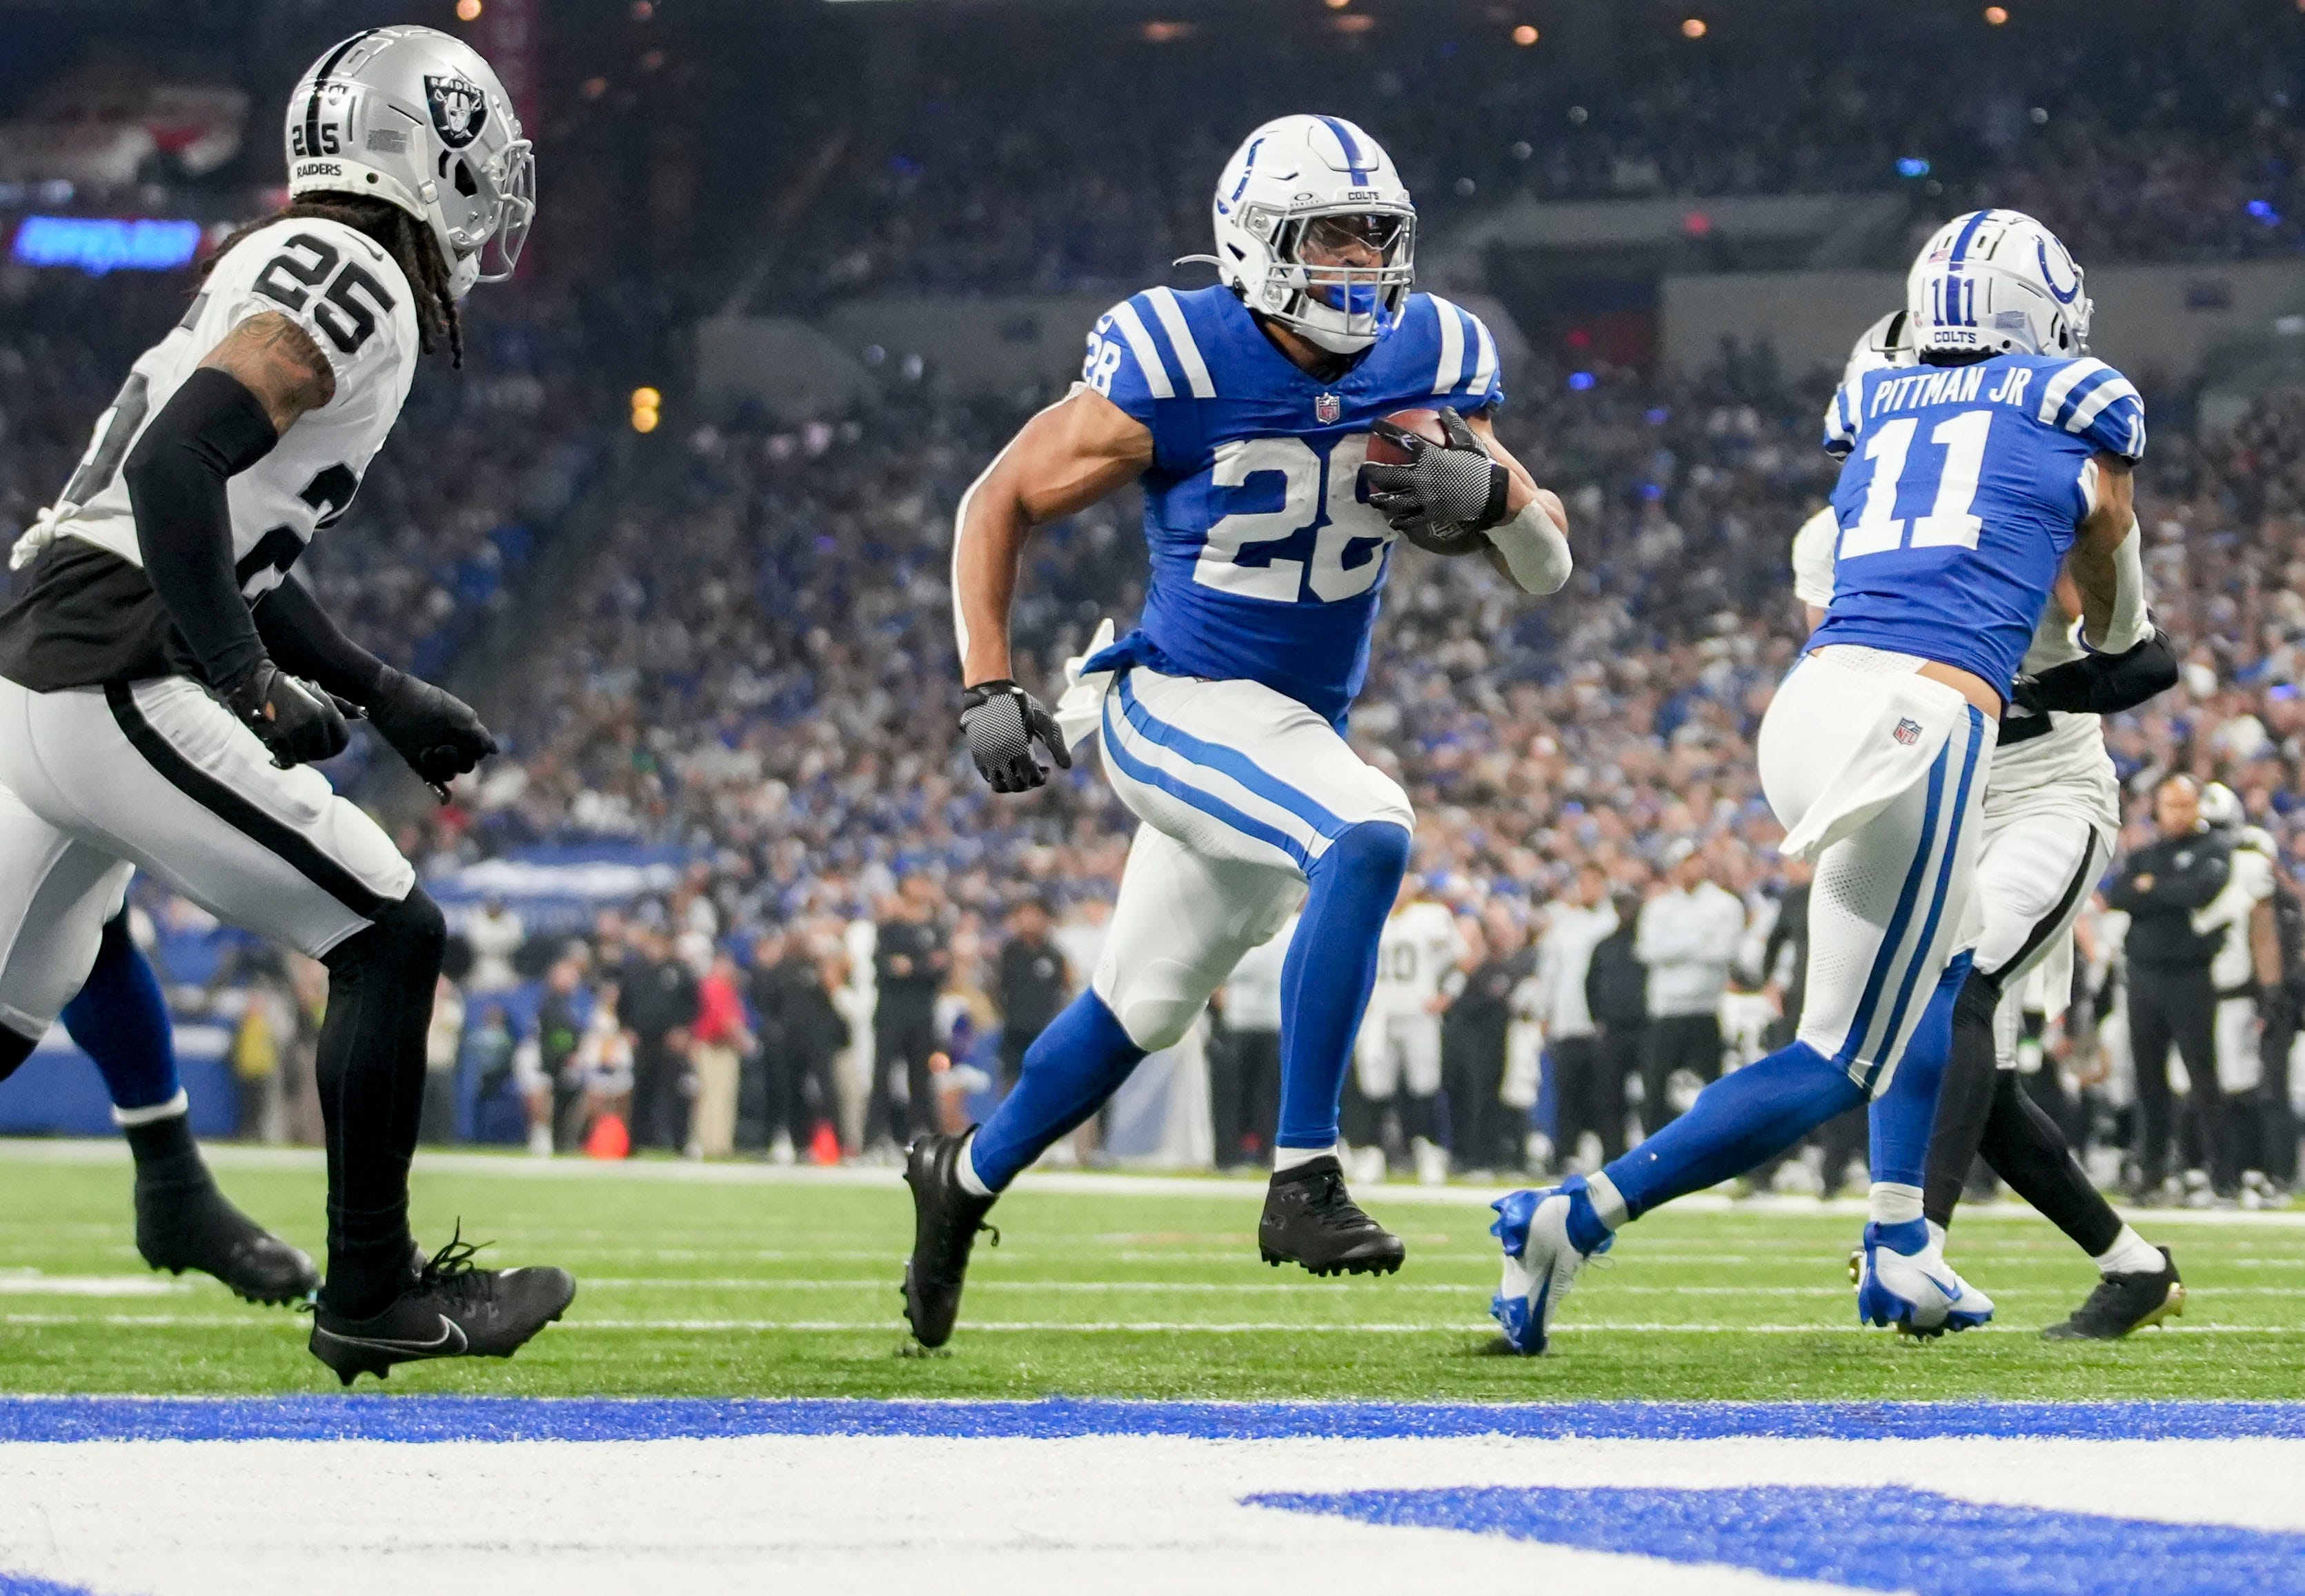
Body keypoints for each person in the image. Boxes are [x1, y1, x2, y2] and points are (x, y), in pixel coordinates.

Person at [906, 113, 1572, 1348]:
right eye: (1331, 237)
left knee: (1139, 1008)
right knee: (1369, 829)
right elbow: (996, 495)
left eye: (1377, 237)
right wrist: (987, 680)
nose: (1361, 264)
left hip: (1283, 729)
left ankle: (961, 1178)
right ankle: (1304, 1177)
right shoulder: (1180, 356)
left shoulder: (1428, 354)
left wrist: (1498, 498)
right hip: (1169, 697)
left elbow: (1545, 565)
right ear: (1256, 244)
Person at [0, 27, 569, 1382]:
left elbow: (229, 531)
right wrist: (241, 680)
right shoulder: (358, 268)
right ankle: (371, 1291)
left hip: (45, 647)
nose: (492, 191)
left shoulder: (288, 255)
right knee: (385, 931)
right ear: (423, 152)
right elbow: (180, 473)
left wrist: (374, 688)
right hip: (113, 657)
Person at [1493, 209, 2141, 1353]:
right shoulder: (2077, 394)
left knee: (1940, 970)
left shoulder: (1871, 390)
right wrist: (2127, 629)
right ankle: (1580, 1213)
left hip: (1812, 704)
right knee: (1844, 1053)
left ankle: (1904, 1249)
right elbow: (2102, 564)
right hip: (1928, 718)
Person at [1792, 317, 2184, 1337]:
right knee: (1966, 1059)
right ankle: (2133, 1266)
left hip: (2041, 785)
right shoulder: (1832, 537)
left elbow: (2130, 652)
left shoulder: (2029, 492)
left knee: (1953, 993)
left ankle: (1912, 1234)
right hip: (1936, 784)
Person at [2109, 775, 2235, 1201]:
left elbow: (2199, 891)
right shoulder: (2145, 853)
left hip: (2190, 976)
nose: (2177, 812)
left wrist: (2153, 889)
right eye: (2169, 804)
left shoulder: (2213, 849)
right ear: (2157, 808)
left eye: (2184, 804)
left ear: (2197, 806)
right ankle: (2152, 1171)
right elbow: (2121, 896)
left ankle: (2222, 1175)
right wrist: (2161, 892)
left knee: (2203, 1077)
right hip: (2144, 975)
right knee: (2148, 1079)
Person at [2190, 785, 2278, 1200]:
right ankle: (2203, 1172)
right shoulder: (2182, 862)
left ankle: (2248, 1172)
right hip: (2189, 987)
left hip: (2230, 991)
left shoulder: (2244, 865)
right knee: (2193, 1086)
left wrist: (2270, 988)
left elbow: (2262, 932)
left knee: (2236, 1084)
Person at [1349, 877, 1462, 1184]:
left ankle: (1428, 1151)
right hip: (1379, 1016)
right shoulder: (1369, 912)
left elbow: (1460, 958)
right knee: (1375, 1087)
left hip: (1418, 1014)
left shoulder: (1431, 918)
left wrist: (1447, 994)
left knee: (1424, 1086)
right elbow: (1351, 957)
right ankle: (1372, 1152)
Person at [1632, 839, 1745, 1134]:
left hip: (1705, 1008)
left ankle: (1715, 1153)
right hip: (1666, 1010)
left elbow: (1723, 952)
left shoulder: (1725, 904)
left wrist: (1674, 947)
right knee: (1655, 1090)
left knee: (1710, 1088)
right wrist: (1698, 939)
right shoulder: (1659, 907)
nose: (1689, 868)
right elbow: (1648, 951)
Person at [1536, 866, 1621, 1170]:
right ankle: (1565, 1154)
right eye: (1582, 882)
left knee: (1604, 1093)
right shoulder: (1564, 925)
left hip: (1601, 1023)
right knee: (1567, 1092)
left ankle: (1605, 1151)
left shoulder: (1612, 923)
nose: (1586, 889)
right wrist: (1544, 1011)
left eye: (1592, 883)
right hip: (1567, 1021)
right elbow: (1549, 972)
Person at [870, 876, 950, 1152]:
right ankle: (875, 1139)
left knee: (921, 1079)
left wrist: (912, 968)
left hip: (922, 1014)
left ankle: (925, 1139)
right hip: (891, 1012)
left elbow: (939, 970)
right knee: (882, 1077)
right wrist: (920, 967)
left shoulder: (935, 929)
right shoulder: (889, 929)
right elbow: (883, 966)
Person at [1211, 915, 1291, 1170]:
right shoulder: (1235, 927)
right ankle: (1228, 1155)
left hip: (1271, 1020)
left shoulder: (1288, 929)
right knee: (1233, 1093)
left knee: (1267, 1093)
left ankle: (1266, 1151)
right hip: (1238, 1020)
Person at [620, 924, 700, 1155]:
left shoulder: (680, 972)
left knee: (677, 1092)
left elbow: (693, 1005)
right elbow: (623, 1005)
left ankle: (680, 1143)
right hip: (643, 1041)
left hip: (672, 1042)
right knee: (641, 1092)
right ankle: (636, 1142)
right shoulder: (635, 972)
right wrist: (627, 1029)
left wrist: (684, 1030)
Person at [993, 899, 1070, 1090]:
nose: (1029, 921)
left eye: (1035, 915)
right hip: (1015, 1032)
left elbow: (1064, 989)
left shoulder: (1055, 955)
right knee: (1012, 1086)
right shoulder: (1008, 954)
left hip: (1046, 1032)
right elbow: (995, 989)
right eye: (1024, 915)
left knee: (1048, 1087)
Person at [687, 949, 751, 1159]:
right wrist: (746, 1042)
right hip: (714, 1047)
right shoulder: (715, 988)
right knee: (715, 1097)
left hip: (719, 1047)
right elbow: (726, 1021)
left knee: (716, 1097)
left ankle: (715, 1143)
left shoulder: (723, 988)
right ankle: (714, 1144)